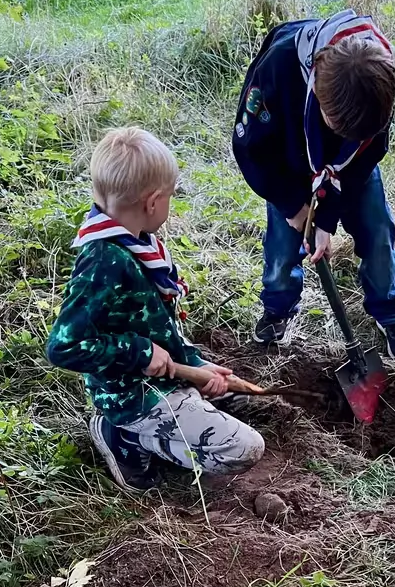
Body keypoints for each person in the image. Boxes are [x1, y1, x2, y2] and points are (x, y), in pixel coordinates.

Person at [47, 126, 265, 493]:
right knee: (244, 449)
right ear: (152, 202)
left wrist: (194, 364)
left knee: (233, 392)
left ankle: (181, 408)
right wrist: (140, 353)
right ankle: (124, 438)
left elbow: (157, 325)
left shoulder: (135, 243)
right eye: (170, 197)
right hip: (130, 393)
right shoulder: (104, 262)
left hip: (158, 373)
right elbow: (62, 347)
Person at [232, 9, 395, 359]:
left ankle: (391, 312)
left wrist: (326, 220)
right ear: (316, 87)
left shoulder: (379, 76)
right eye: (334, 124)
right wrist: (294, 206)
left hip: (350, 170)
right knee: (282, 246)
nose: (339, 132)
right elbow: (249, 147)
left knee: (377, 232)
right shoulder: (279, 67)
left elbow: (369, 152)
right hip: (286, 167)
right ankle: (278, 308)